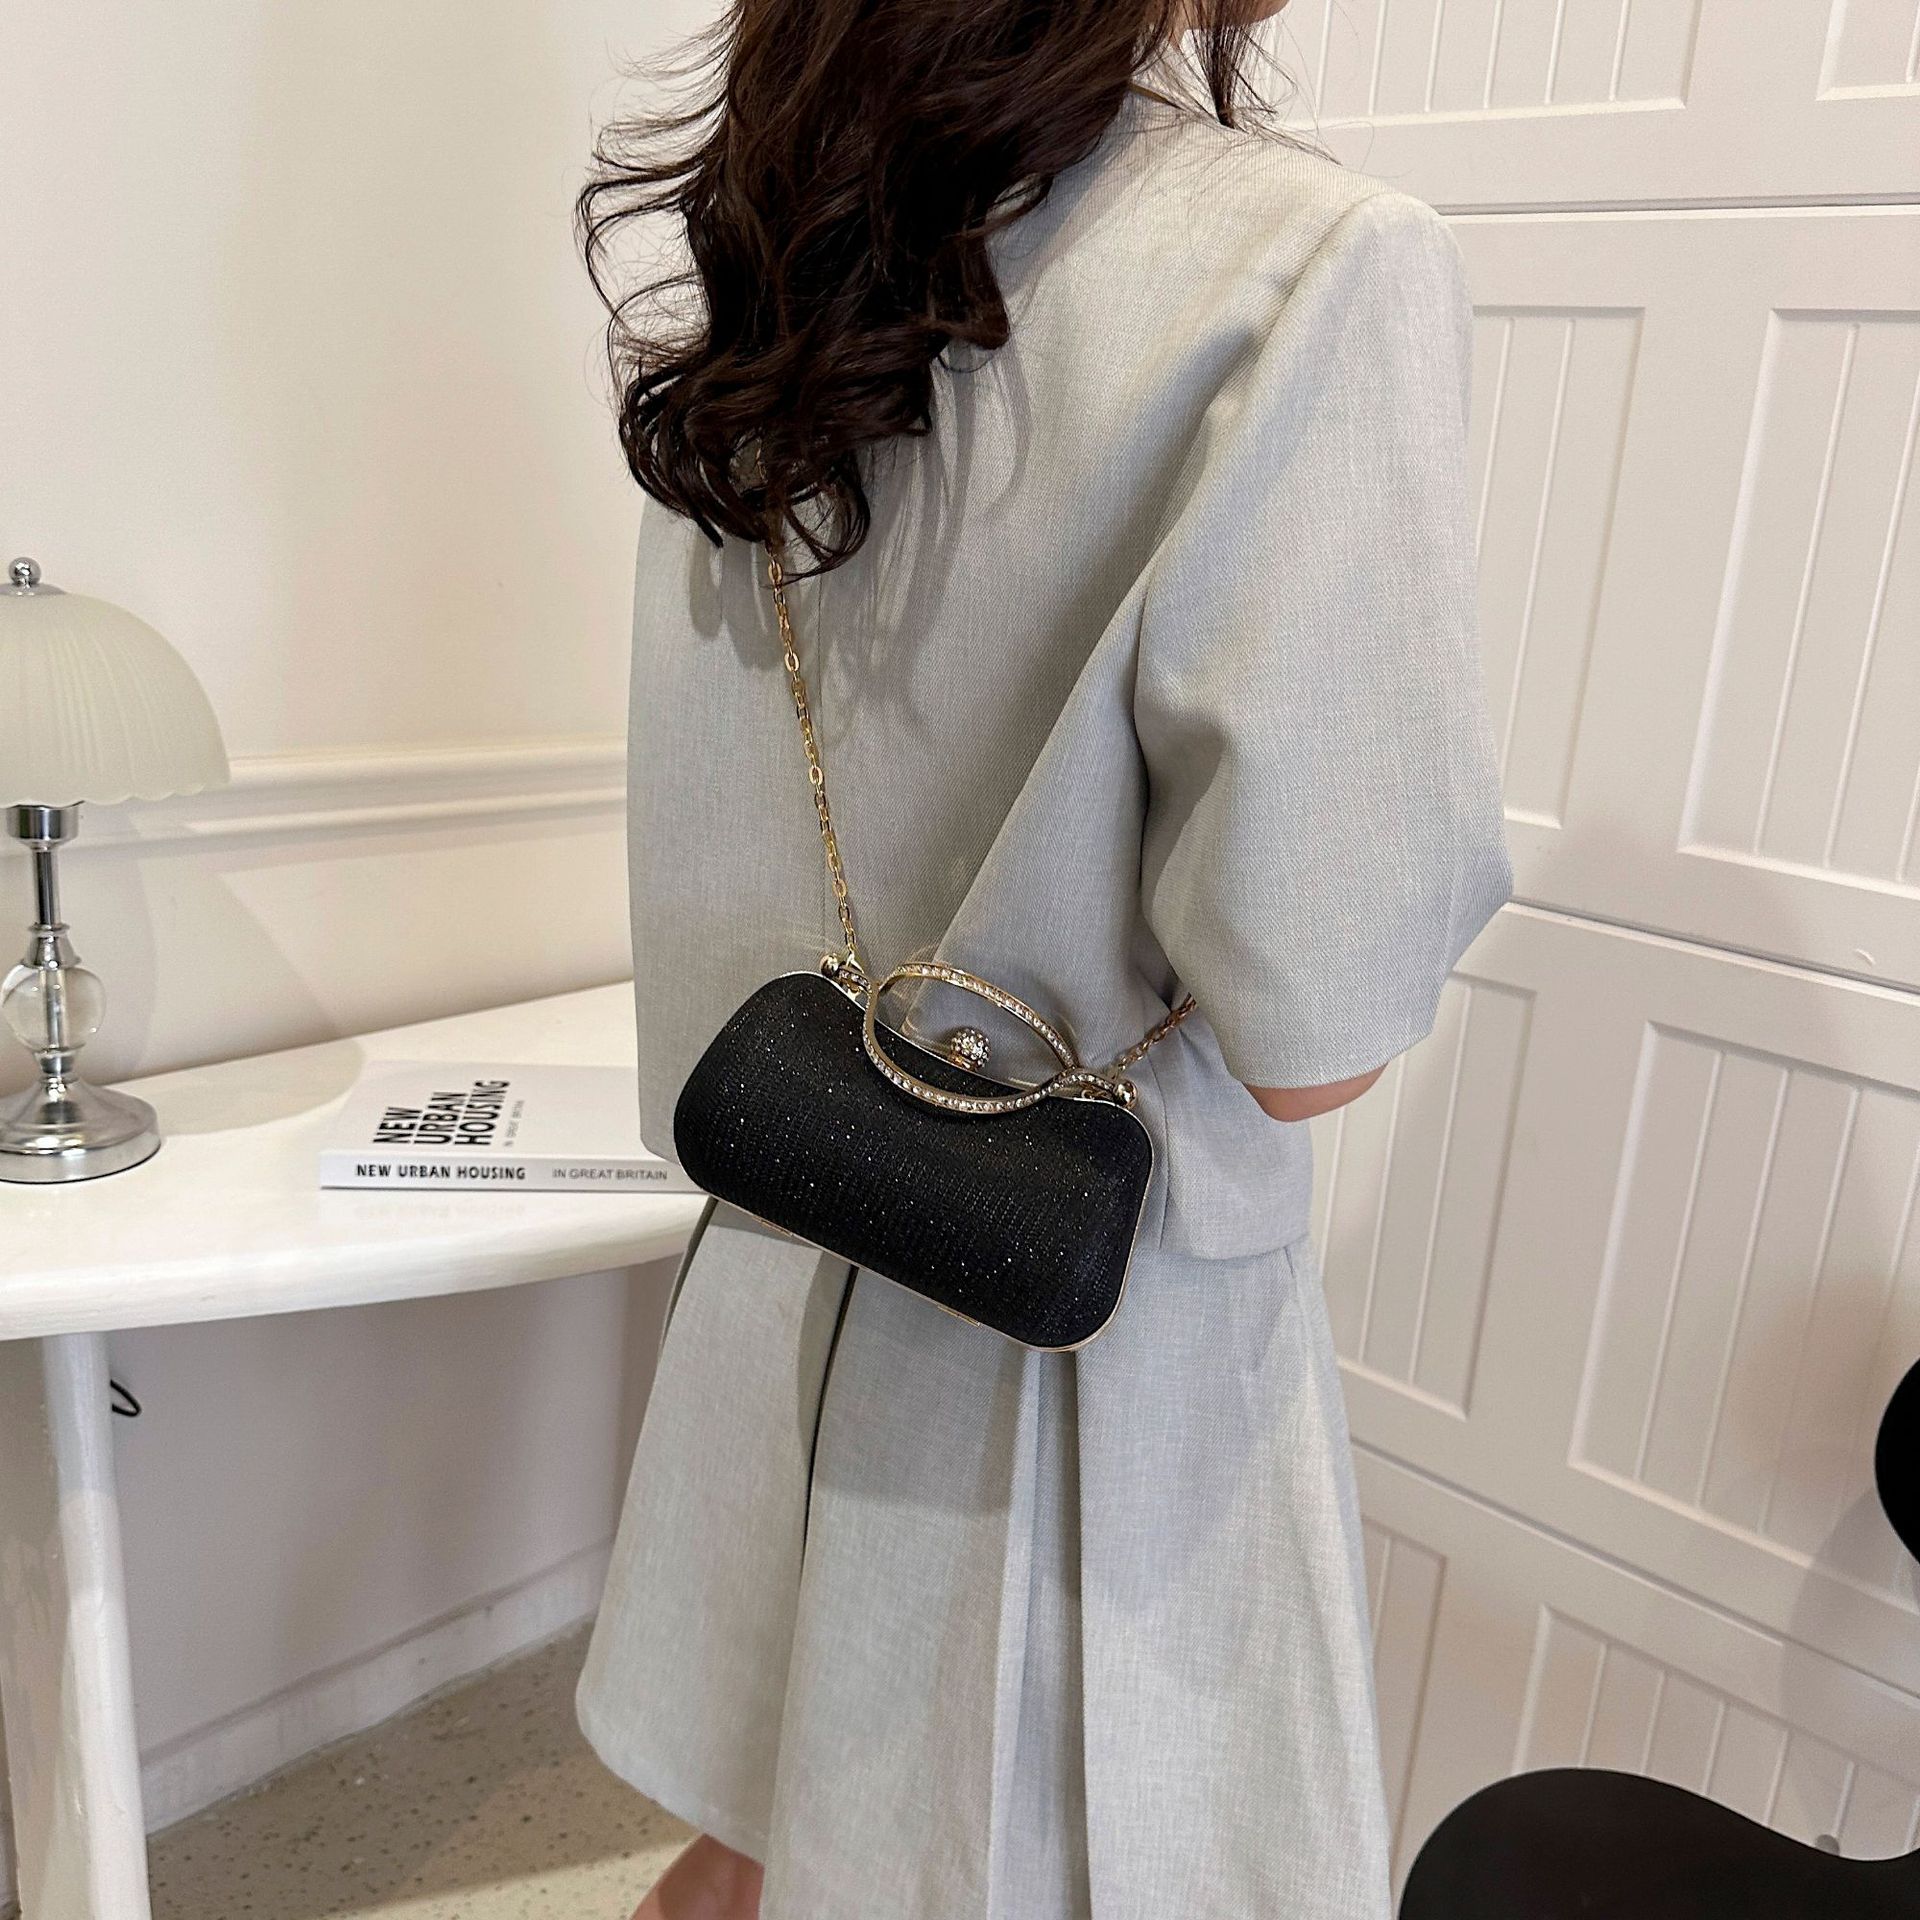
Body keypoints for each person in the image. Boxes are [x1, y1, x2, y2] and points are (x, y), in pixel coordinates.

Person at [572, 3, 1512, 1916]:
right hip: (1082, 1364)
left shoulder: (775, 276)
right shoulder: (1309, 271)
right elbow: (1313, 1035)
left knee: (772, 1839)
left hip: (785, 1261)